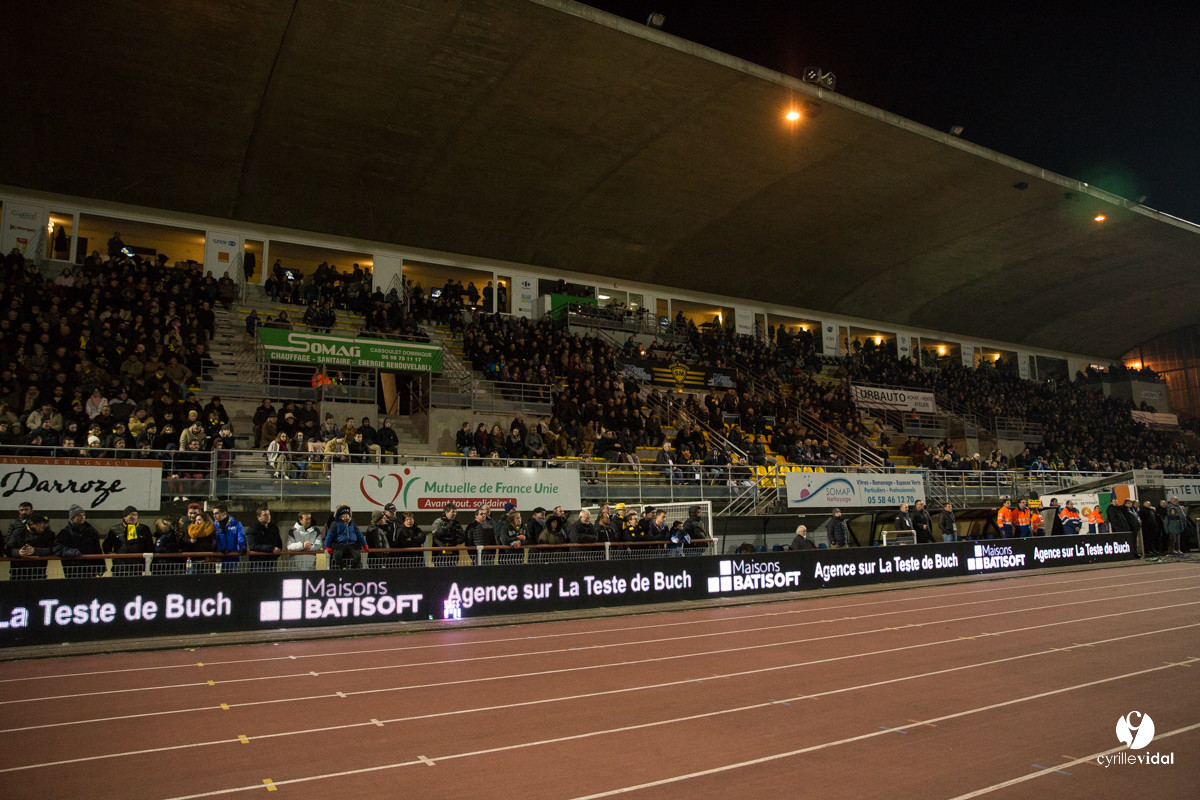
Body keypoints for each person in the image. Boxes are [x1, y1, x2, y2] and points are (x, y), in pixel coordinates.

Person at [55, 504, 104, 578]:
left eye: (83, 515)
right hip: (72, 570)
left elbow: (97, 550)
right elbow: (57, 547)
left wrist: (101, 567)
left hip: (89, 570)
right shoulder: (65, 533)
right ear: (72, 518)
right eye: (79, 515)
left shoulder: (92, 531)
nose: (82, 517)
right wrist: (70, 552)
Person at [103, 506, 154, 576]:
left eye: (135, 515)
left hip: (137, 566)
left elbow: (150, 546)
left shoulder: (144, 529)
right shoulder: (115, 529)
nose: (134, 517)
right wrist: (111, 554)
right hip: (120, 566)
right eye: (131, 515)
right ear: (125, 517)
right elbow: (106, 545)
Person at [7, 513, 55, 579]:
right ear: (32, 524)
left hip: (39, 572)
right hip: (18, 572)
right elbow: (8, 550)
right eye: (41, 523)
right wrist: (19, 552)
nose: (44, 526)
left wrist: (35, 551)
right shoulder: (18, 533)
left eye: (46, 524)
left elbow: (54, 549)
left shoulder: (49, 535)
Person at [325, 504, 367, 568]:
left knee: (357, 557)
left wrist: (364, 544)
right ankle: (344, 567)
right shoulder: (335, 524)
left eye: (348, 514)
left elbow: (359, 534)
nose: (347, 516)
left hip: (352, 547)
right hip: (339, 548)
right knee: (337, 557)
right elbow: (329, 536)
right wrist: (327, 546)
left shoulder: (352, 524)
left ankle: (353, 568)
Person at [212, 502, 246, 566]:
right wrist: (221, 548)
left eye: (217, 513)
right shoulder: (213, 526)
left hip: (233, 558)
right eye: (213, 514)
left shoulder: (236, 524)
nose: (214, 516)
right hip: (219, 558)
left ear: (224, 513)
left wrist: (243, 547)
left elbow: (241, 536)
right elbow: (214, 540)